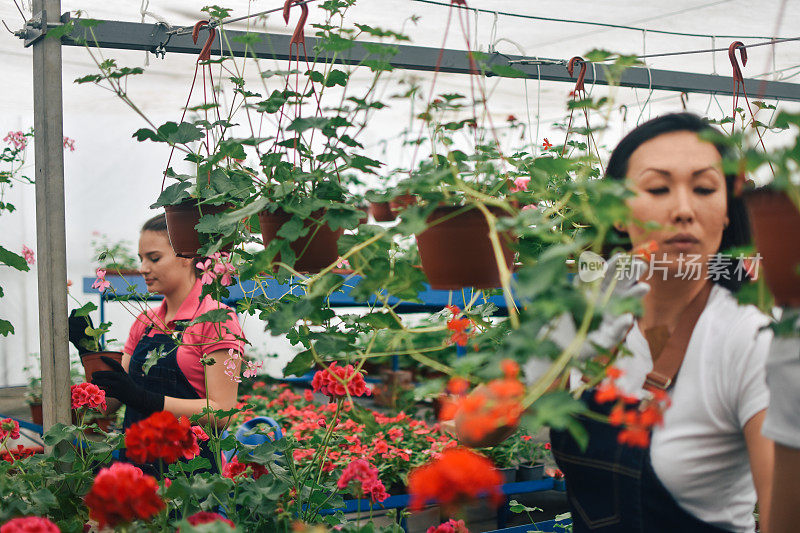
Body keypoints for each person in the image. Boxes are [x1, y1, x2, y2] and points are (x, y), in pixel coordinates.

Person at [456, 113, 774, 532]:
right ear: (618, 214)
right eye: (658, 188)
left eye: (704, 188)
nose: (682, 209)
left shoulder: (749, 339)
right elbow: (472, 429)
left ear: (727, 211)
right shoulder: (584, 315)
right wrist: (555, 350)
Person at [72, 214, 245, 475]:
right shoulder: (144, 322)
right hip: (136, 466)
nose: (143, 267)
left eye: (153, 258)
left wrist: (145, 398)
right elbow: (109, 404)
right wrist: (88, 350)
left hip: (190, 475)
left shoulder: (218, 320)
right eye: (141, 258)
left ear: (187, 257)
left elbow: (222, 412)